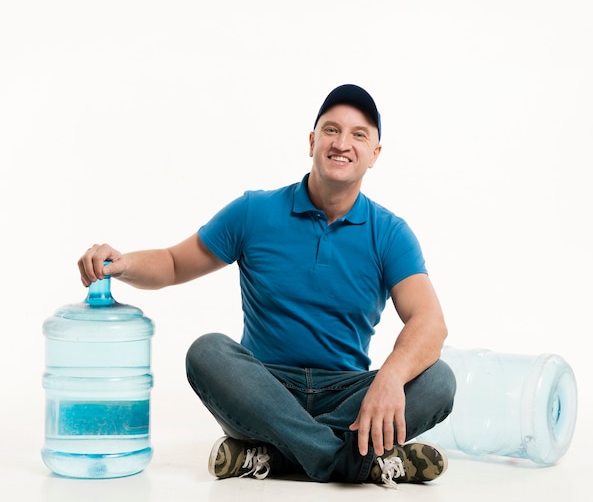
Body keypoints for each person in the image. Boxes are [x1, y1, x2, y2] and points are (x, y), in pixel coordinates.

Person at [77, 84, 456, 488]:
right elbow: (172, 264)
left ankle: (275, 455)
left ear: (374, 154)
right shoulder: (254, 212)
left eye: (358, 134)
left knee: (440, 379)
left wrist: (391, 379)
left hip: (347, 394)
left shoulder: (391, 234)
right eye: (331, 130)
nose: (342, 143)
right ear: (312, 141)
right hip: (263, 391)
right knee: (207, 352)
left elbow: (430, 323)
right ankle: (355, 460)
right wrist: (123, 263)